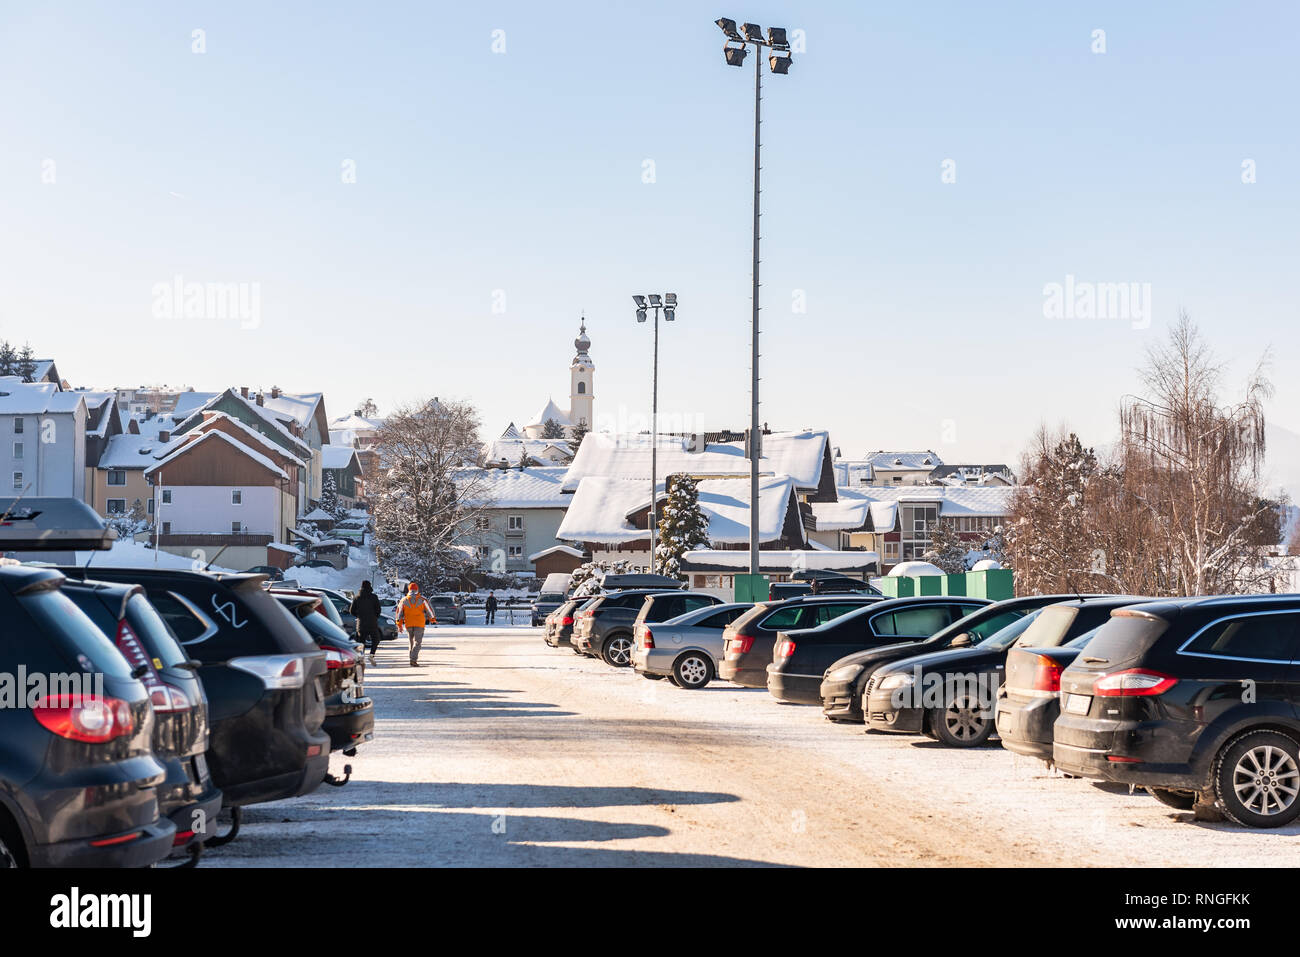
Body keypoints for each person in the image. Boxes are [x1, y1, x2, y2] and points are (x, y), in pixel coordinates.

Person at [394, 582, 437, 666]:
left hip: (408, 624)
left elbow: (399, 614)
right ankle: (413, 659)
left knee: (411, 642)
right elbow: (429, 610)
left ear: (409, 589)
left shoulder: (404, 600)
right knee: (417, 642)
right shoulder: (422, 600)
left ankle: (411, 659)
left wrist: (399, 624)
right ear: (417, 589)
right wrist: (432, 619)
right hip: (419, 624)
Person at [349, 580, 383, 666]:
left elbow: (351, 611)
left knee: (361, 641)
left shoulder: (357, 597)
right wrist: (375, 617)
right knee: (376, 639)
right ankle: (371, 655)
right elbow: (378, 610)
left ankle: (361, 657)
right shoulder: (374, 597)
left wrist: (358, 616)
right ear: (370, 587)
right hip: (372, 623)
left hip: (361, 624)